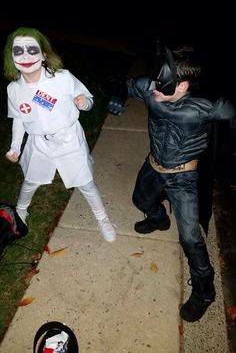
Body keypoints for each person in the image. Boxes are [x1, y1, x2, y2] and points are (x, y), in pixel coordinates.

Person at [105, 46, 236, 321]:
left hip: (184, 178)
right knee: (140, 200)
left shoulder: (205, 107)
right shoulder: (151, 88)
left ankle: (204, 291)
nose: (152, 91)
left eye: (160, 87)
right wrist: (118, 93)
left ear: (182, 85)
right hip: (154, 165)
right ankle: (158, 219)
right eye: (152, 84)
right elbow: (120, 82)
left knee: (190, 238)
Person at [3, 27, 116, 243]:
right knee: (30, 181)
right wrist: (16, 146)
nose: (26, 56)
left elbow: (88, 99)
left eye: (31, 50)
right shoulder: (14, 89)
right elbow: (19, 119)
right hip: (38, 143)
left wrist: (85, 103)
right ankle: (21, 211)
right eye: (18, 51)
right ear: (11, 57)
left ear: (44, 54)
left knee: (86, 183)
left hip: (69, 139)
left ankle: (103, 219)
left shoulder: (62, 78)